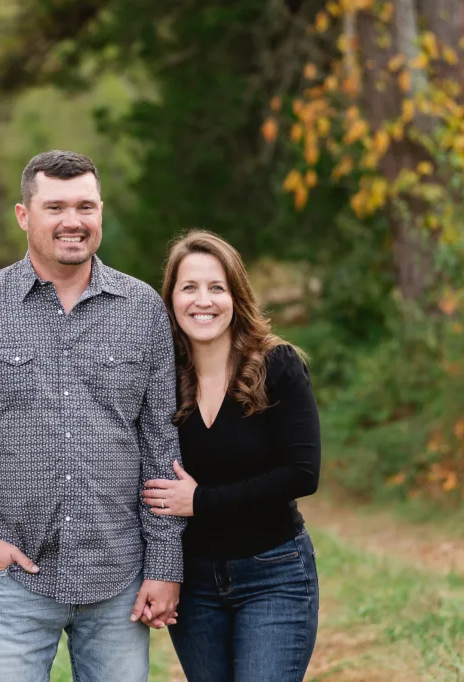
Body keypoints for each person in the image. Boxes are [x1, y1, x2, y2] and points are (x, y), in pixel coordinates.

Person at [0, 150, 186, 681]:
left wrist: (165, 566)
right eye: (55, 207)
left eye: (86, 206)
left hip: (119, 581)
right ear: (23, 214)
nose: (73, 222)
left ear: (101, 212)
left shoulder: (143, 307)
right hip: (15, 582)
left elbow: (161, 450)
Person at [141, 230, 321, 681]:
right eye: (189, 288)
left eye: (216, 287)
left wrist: (201, 501)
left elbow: (302, 473)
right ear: (172, 299)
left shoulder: (275, 364)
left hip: (273, 573)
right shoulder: (162, 378)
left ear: (236, 296)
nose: (203, 301)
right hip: (195, 582)